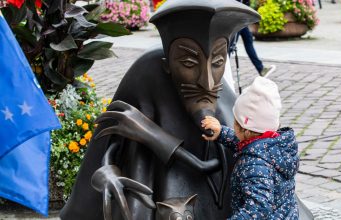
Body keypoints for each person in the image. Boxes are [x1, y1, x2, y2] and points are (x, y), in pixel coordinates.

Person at [60, 0, 260, 219]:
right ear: (168, 64)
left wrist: (153, 135)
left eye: (218, 61)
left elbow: (214, 163)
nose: (208, 82)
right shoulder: (146, 76)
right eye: (189, 64)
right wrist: (106, 172)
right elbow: (111, 144)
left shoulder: (223, 104)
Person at [202, 76, 300, 219]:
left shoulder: (255, 165)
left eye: (235, 122)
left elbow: (256, 210)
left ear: (245, 130)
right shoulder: (275, 146)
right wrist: (222, 133)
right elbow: (249, 146)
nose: (232, 124)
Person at [231, 0, 276, 77]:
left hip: (242, 18)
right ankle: (223, 73)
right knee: (231, 45)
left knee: (248, 39)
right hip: (235, 17)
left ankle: (261, 69)